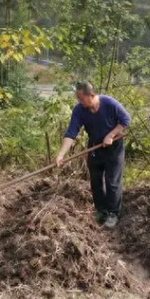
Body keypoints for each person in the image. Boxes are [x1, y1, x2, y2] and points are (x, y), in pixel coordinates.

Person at [55, 81, 131, 228]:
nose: (79, 101)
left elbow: (125, 120)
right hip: (95, 147)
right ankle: (101, 211)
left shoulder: (109, 103)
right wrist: (61, 154)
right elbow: (71, 132)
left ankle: (113, 213)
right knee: (95, 181)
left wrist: (111, 135)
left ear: (92, 95)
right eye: (78, 98)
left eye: (81, 98)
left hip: (113, 147)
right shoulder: (79, 110)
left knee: (112, 182)